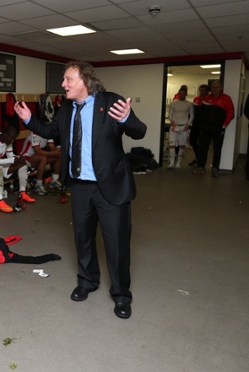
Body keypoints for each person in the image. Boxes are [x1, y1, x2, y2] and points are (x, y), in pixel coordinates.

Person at [14, 61, 147, 319]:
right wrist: (28, 119)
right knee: (82, 238)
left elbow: (140, 132)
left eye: (68, 79)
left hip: (111, 187)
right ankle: (87, 281)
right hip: (81, 186)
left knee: (116, 244)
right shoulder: (66, 107)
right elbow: (52, 131)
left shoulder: (110, 102)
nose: (63, 85)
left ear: (84, 80)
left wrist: (127, 118)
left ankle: (121, 295)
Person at [192, 80, 234, 177]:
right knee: (203, 147)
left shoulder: (226, 99)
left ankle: (215, 168)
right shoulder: (207, 98)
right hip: (206, 128)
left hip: (218, 128)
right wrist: (202, 125)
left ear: (221, 88)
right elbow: (201, 113)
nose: (215, 89)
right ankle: (201, 167)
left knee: (217, 148)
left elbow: (230, 113)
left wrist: (224, 125)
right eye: (213, 87)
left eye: (217, 87)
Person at [20, 131, 61, 195]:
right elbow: (37, 151)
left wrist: (58, 150)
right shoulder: (34, 133)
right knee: (43, 158)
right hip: (26, 158)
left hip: (38, 157)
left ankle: (54, 180)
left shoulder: (48, 133)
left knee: (58, 155)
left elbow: (52, 147)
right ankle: (38, 184)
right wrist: (54, 153)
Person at [167, 87, 194, 168]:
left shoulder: (189, 104)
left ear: (186, 94)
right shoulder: (173, 104)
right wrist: (172, 122)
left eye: (183, 94)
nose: (181, 96)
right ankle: (171, 163)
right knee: (172, 145)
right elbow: (170, 115)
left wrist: (188, 124)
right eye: (180, 94)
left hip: (184, 127)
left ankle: (178, 163)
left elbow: (192, 116)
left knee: (182, 146)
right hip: (174, 127)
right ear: (178, 94)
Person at [189, 84, 209, 166]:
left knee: (202, 143)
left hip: (205, 124)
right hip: (196, 123)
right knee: (192, 140)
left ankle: (201, 161)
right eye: (200, 90)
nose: (202, 92)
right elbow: (193, 112)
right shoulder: (196, 99)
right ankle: (197, 157)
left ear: (207, 91)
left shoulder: (209, 99)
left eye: (203, 90)